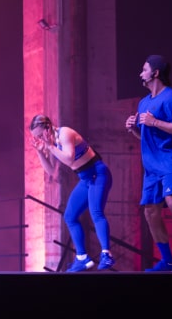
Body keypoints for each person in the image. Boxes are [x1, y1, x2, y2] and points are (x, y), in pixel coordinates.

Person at [125, 55, 172, 272]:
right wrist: (134, 130)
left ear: (154, 73)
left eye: (144, 70)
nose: (140, 74)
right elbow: (146, 137)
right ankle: (169, 262)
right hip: (151, 169)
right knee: (150, 212)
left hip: (171, 161)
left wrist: (154, 121)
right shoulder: (144, 102)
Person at [30, 115, 115, 272]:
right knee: (70, 216)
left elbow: (69, 159)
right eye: (37, 137)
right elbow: (51, 172)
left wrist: (50, 147)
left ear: (48, 127)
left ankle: (106, 254)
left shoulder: (65, 134)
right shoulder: (52, 142)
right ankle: (82, 258)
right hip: (85, 179)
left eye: (40, 135)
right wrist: (40, 152)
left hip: (98, 173)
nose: (41, 139)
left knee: (96, 212)